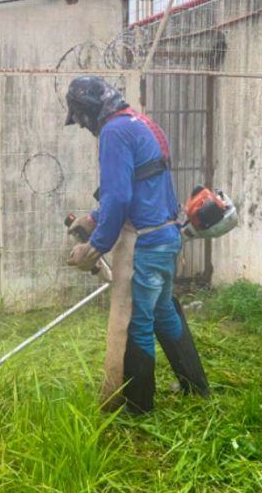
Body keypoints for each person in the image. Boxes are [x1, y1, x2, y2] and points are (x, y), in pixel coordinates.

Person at [64, 76, 208, 414]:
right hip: (167, 236)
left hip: (144, 242)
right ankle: (196, 386)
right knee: (162, 311)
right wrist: (94, 217)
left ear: (88, 114)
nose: (86, 129)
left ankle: (137, 408)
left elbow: (119, 197)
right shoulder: (142, 123)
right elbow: (141, 187)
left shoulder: (113, 133)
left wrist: (94, 248)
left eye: (82, 122)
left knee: (137, 322)